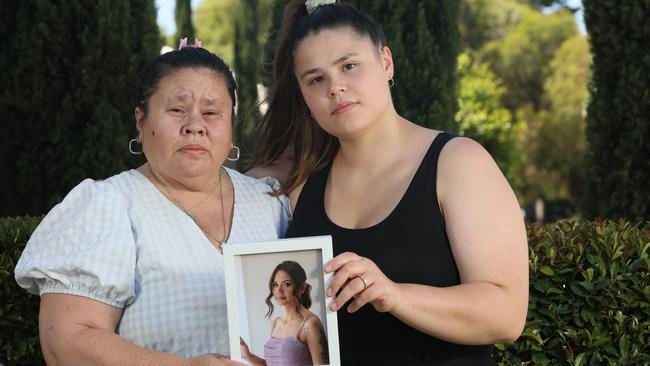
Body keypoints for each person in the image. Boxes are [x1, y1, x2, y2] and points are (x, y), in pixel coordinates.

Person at [250, 1, 529, 365]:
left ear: (385, 62)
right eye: (316, 79)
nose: (336, 87)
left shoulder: (458, 162)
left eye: (349, 66)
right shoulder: (301, 184)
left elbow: (506, 315)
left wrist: (395, 295)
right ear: (304, 94)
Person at [14, 38, 290, 366]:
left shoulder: (268, 202)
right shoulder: (108, 205)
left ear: (230, 127)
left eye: (212, 112)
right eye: (177, 110)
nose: (195, 126)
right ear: (141, 121)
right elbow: (67, 342)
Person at [240, 260, 329, 366]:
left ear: (302, 288)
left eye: (286, 284)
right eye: (275, 285)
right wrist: (248, 356)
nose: (279, 290)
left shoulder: (310, 323)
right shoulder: (276, 323)